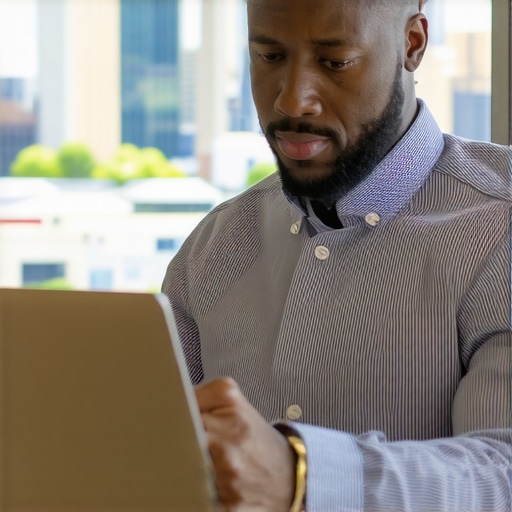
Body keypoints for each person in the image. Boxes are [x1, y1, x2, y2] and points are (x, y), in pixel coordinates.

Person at [162, 0, 512, 510]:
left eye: (335, 61)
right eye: (269, 56)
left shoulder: (500, 225)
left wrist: (301, 474)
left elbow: (504, 474)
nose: (292, 101)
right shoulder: (213, 247)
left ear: (412, 45)